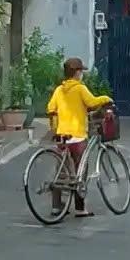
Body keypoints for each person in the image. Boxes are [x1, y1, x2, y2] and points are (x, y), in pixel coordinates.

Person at [46, 58, 112, 217]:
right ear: (76, 73)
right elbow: (92, 102)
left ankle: (56, 206)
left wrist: (55, 127)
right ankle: (80, 208)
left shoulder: (59, 90)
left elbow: (51, 108)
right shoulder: (80, 88)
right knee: (80, 172)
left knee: (61, 172)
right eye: (81, 71)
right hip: (78, 136)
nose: (82, 74)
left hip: (62, 137)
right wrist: (106, 98)